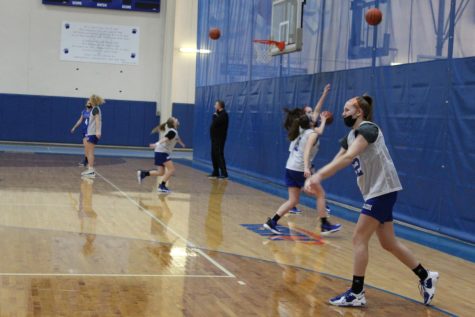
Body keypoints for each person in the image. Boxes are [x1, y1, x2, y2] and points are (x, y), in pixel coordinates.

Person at [304, 95, 439, 307]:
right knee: (388, 243)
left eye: (347, 109)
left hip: (382, 190)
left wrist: (318, 176)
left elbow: (349, 158)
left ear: (359, 112)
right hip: (376, 192)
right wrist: (317, 175)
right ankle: (426, 276)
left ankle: (357, 292)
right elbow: (338, 159)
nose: (343, 113)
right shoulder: (349, 136)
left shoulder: (368, 129)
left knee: (359, 239)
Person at [263, 111, 341, 235]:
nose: (315, 116)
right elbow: (307, 151)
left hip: (290, 167)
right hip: (300, 169)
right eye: (312, 117)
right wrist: (306, 168)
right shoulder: (312, 134)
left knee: (293, 200)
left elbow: (317, 128)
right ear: (311, 123)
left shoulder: (301, 130)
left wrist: (323, 118)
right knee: (320, 194)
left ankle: (272, 222)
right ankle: (324, 224)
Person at [290, 84, 331, 215]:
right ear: (304, 115)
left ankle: (293, 204)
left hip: (303, 159)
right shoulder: (307, 128)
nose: (312, 113)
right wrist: (323, 120)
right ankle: (322, 207)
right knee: (310, 184)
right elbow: (320, 130)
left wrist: (324, 93)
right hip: (300, 159)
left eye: (311, 111)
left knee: (305, 184)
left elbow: (318, 108)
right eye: (309, 112)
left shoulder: (306, 124)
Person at [137, 117, 185, 193]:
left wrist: (181, 143)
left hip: (159, 152)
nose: (177, 119)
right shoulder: (172, 132)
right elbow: (165, 138)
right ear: (173, 123)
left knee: (161, 172)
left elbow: (177, 138)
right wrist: (156, 144)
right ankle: (162, 186)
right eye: (175, 119)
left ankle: (143, 173)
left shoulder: (174, 132)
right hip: (162, 152)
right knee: (171, 169)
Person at [81, 94, 105, 178]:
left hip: (93, 133)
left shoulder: (95, 109)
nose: (88, 101)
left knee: (90, 152)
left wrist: (98, 131)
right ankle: (89, 169)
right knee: (88, 151)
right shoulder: (94, 109)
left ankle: (91, 170)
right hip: (91, 133)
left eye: (89, 99)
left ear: (92, 101)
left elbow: (98, 121)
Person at [208, 100, 229, 179]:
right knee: (213, 154)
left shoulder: (224, 114)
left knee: (219, 155)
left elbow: (216, 122)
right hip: (214, 139)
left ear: (220, 106)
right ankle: (215, 172)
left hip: (220, 139)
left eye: (215, 104)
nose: (214, 106)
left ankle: (224, 174)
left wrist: (215, 116)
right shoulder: (217, 114)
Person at [70, 101, 92, 166]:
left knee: (87, 146)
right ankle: (86, 160)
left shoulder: (93, 112)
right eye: (87, 103)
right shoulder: (84, 112)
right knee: (86, 146)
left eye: (89, 103)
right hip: (84, 130)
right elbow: (80, 120)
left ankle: (86, 160)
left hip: (89, 131)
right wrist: (74, 127)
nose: (88, 104)